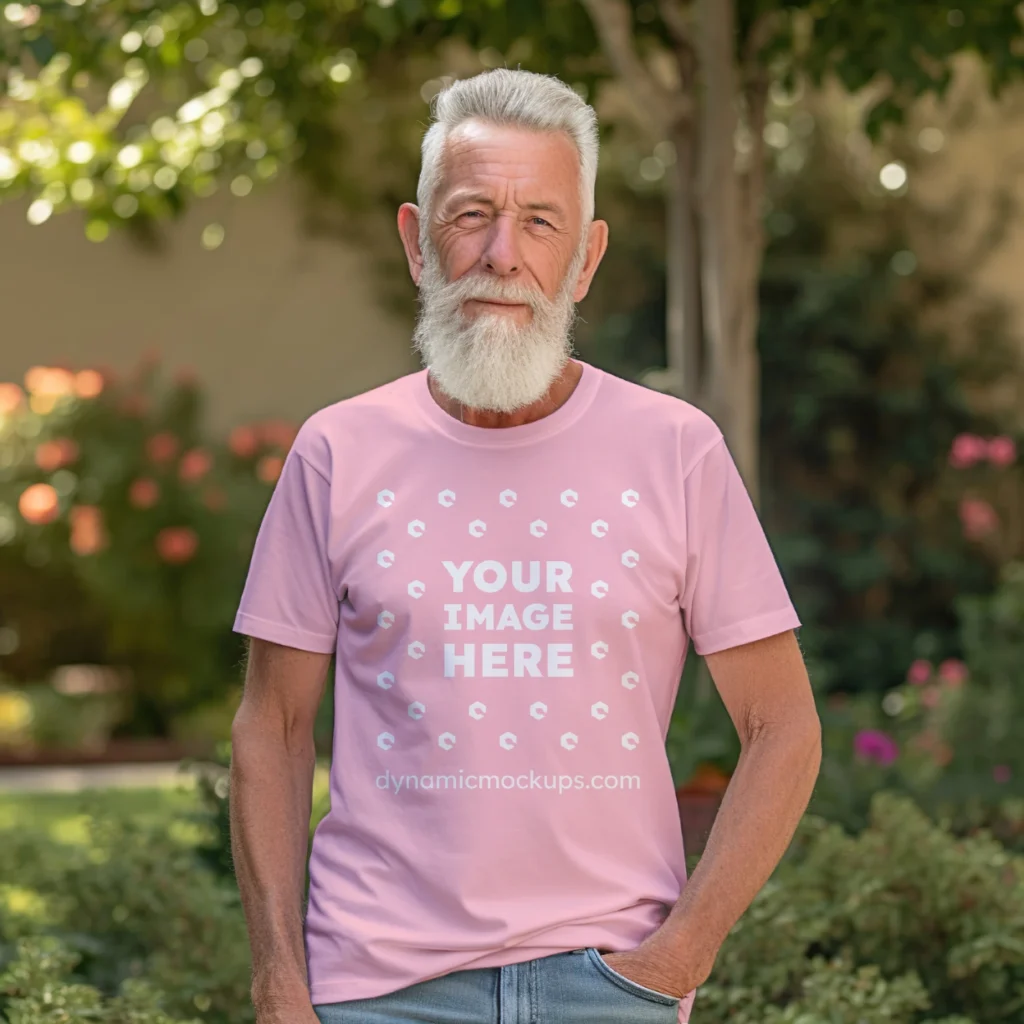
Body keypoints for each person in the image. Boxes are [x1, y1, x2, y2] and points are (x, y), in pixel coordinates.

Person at [229, 68, 821, 1024]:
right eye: (471, 215)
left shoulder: (675, 451)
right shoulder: (336, 452)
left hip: (610, 986)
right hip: (378, 990)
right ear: (418, 243)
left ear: (585, 261)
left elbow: (783, 727)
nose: (501, 255)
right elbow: (274, 729)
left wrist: (677, 957)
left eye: (539, 222)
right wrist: (280, 986)